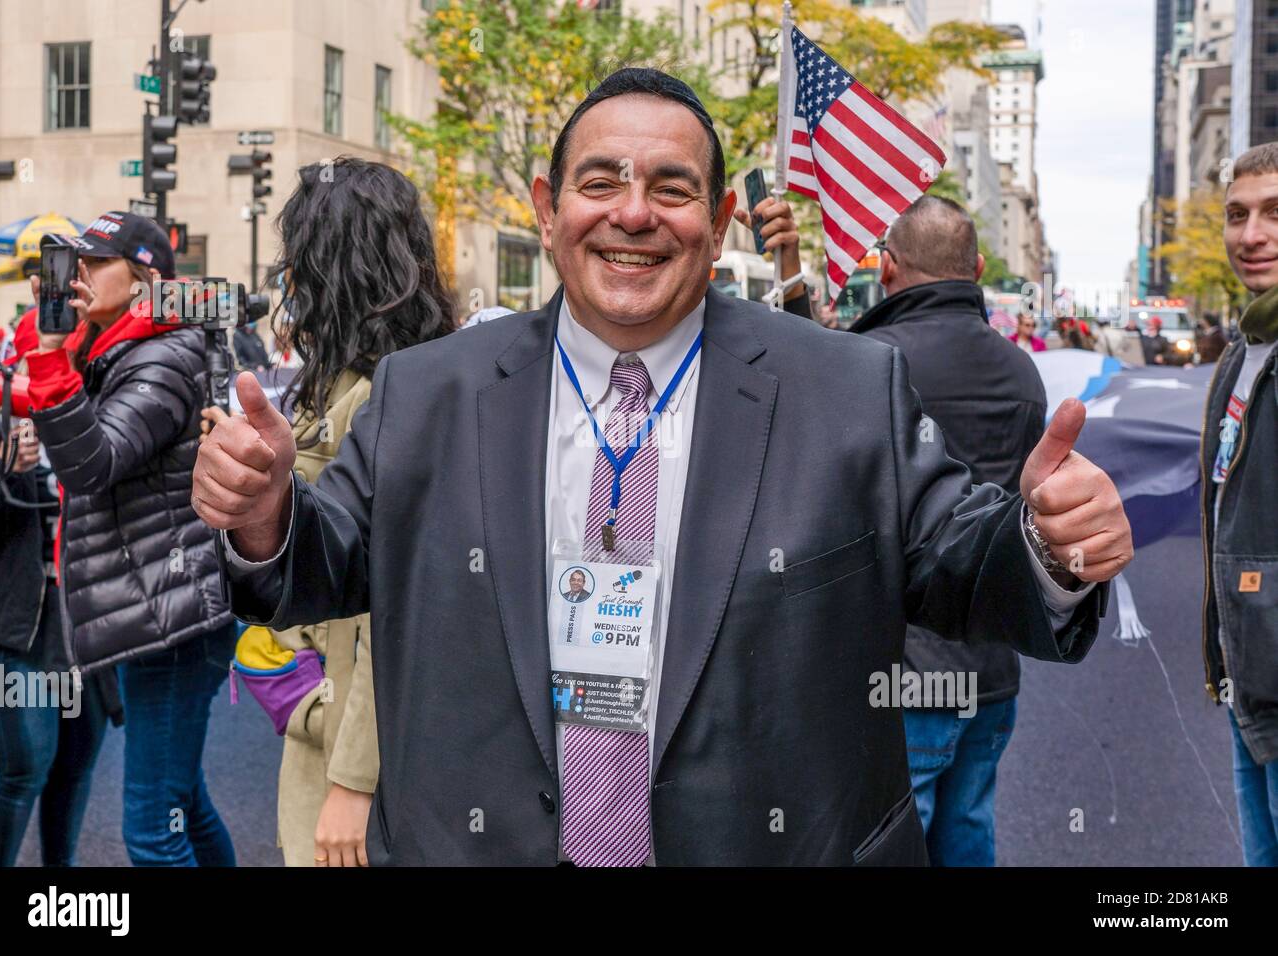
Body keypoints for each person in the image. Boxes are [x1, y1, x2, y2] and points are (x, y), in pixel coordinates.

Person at [194, 68, 1132, 866]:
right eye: (600, 181)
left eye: (673, 188)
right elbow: (326, 562)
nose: (632, 212)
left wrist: (1047, 544)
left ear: (719, 221)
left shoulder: (847, 385)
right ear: (545, 206)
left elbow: (961, 569)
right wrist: (267, 512)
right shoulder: (428, 391)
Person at [205, 157, 456, 868]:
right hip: (326, 716)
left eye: (299, 254)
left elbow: (397, 606)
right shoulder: (354, 384)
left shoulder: (386, 396)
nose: (288, 277)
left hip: (357, 751)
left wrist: (354, 779)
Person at [22, 212, 237, 866]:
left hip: (172, 623)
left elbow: (92, 465)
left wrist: (53, 361)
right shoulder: (116, 344)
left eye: (93, 263)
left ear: (145, 277)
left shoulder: (163, 353)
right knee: (183, 799)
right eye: (72, 263)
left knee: (152, 831)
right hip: (160, 608)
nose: (76, 275)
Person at [841, 196, 1048, 865]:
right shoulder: (1021, 370)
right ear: (979, 268)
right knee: (968, 828)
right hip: (993, 657)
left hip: (903, 666)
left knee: (895, 838)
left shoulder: (867, 365)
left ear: (888, 268)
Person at [0, 313, 119, 866]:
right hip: (17, 631)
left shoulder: (99, 417)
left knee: (75, 767)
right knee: (25, 770)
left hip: (88, 623)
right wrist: (0, 468)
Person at [1201, 142, 1278, 867]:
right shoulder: (1242, 351)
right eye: (1236, 214)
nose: (1250, 234)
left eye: (1273, 213)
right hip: (1247, 673)